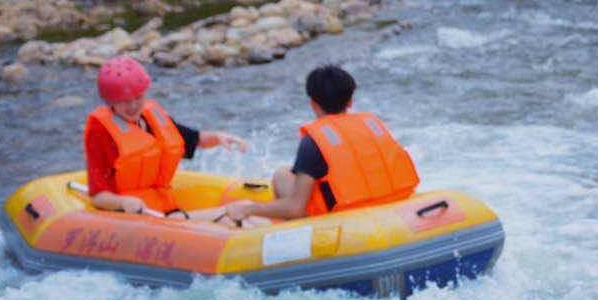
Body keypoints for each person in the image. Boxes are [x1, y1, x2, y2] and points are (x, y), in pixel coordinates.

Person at [222, 65, 419, 223]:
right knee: (285, 174)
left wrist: (248, 209)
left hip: (344, 220)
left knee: (282, 175)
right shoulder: (372, 126)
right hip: (391, 208)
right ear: (350, 101)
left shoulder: (313, 142)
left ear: (313, 104)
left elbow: (295, 208)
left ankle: (281, 236)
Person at [85, 56, 248, 219]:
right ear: (110, 101)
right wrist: (122, 202)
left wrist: (219, 137)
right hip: (132, 216)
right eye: (125, 101)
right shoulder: (101, 133)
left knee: (245, 210)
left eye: (138, 98)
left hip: (165, 209)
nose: (133, 106)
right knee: (238, 212)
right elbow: (98, 196)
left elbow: (193, 139)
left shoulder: (151, 117)